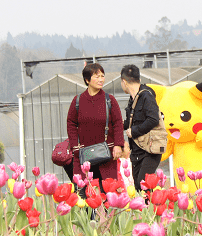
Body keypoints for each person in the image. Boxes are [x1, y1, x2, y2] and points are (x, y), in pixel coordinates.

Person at [66, 63, 124, 189]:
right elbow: (71, 123)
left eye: (102, 76)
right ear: (87, 80)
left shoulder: (109, 100)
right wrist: (75, 146)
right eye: (97, 76)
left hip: (106, 154)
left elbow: (118, 123)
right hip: (83, 154)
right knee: (83, 192)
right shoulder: (78, 100)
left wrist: (118, 145)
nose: (101, 79)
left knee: (108, 191)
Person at [120, 64, 162, 192]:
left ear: (124, 82)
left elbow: (153, 119)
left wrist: (134, 131)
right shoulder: (133, 99)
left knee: (144, 185)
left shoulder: (146, 96)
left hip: (150, 149)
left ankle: (153, 211)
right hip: (137, 149)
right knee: (138, 187)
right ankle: (145, 211)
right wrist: (116, 124)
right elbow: (132, 122)